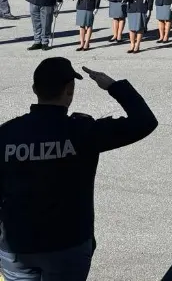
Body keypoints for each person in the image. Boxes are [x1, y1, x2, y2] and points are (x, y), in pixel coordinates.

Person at [0, 58, 158, 281]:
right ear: (69, 90)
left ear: (35, 89)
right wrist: (114, 86)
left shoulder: (7, 133)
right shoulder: (82, 131)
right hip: (68, 242)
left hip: (17, 244)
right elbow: (145, 122)